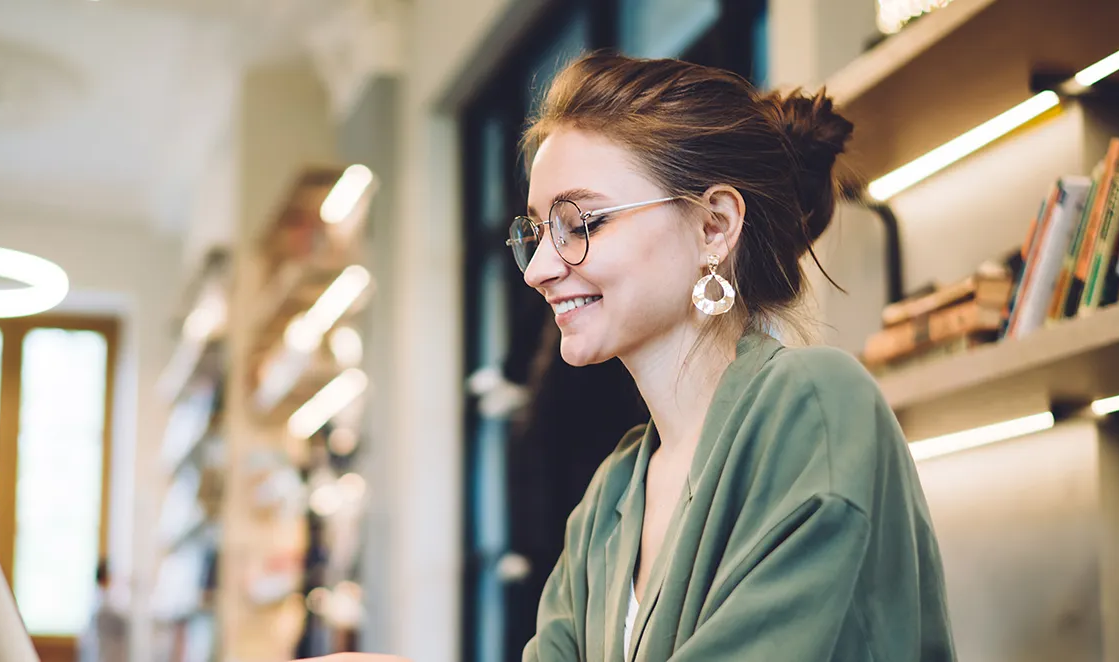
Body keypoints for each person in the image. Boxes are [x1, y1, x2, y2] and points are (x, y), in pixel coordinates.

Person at [310, 52, 956, 662]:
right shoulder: (613, 493)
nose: (537, 270)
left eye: (582, 225)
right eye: (536, 232)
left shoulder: (816, 404)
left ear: (714, 227)